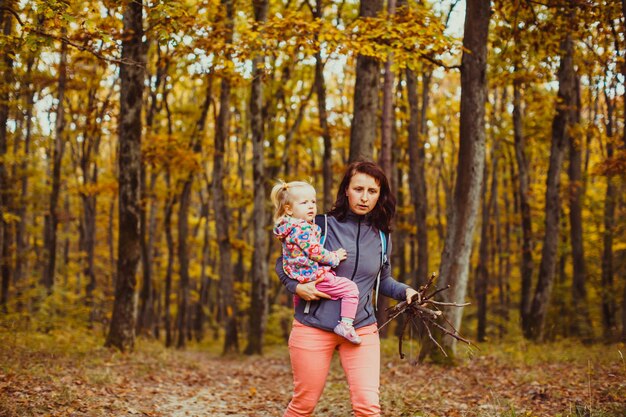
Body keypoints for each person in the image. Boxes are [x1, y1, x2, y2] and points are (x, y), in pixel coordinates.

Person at [276, 161, 418, 417]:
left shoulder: (382, 236)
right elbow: (283, 262)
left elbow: (383, 280)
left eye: (372, 191)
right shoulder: (320, 225)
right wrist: (297, 287)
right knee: (303, 406)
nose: (364, 198)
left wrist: (406, 291)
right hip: (314, 325)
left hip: (361, 328)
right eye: (358, 189)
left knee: (368, 407)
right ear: (346, 191)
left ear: (380, 195)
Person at [271, 180, 362, 344]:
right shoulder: (303, 229)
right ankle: (346, 324)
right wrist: (334, 257)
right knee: (350, 289)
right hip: (312, 276)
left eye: (313, 201)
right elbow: (316, 252)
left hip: (298, 275)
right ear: (289, 209)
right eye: (304, 203)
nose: (311, 206)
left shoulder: (287, 228)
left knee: (301, 298)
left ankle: (299, 317)